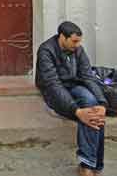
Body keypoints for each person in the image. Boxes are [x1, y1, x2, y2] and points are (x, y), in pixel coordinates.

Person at [35, 21, 107, 176]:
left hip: (74, 85)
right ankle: (93, 166)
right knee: (87, 112)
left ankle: (88, 165)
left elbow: (88, 76)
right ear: (62, 37)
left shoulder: (78, 50)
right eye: (74, 41)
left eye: (79, 41)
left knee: (93, 107)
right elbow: (53, 85)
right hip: (53, 91)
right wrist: (76, 110)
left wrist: (102, 103)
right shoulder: (46, 50)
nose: (78, 45)